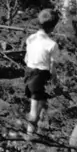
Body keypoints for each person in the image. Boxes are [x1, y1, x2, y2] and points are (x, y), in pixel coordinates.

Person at [24, 8, 61, 139]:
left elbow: (26, 59)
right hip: (40, 76)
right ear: (53, 27)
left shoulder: (31, 38)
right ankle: (29, 138)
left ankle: (38, 133)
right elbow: (53, 67)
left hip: (28, 74)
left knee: (41, 105)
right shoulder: (52, 44)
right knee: (34, 110)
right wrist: (55, 81)